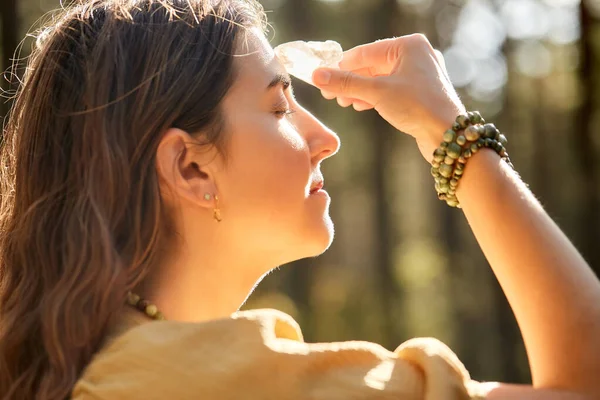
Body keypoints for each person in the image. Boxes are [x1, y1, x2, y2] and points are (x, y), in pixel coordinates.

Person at [0, 0, 598, 399]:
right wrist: (452, 133)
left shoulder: (93, 365)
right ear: (190, 166)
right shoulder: (221, 383)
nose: (327, 138)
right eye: (281, 106)